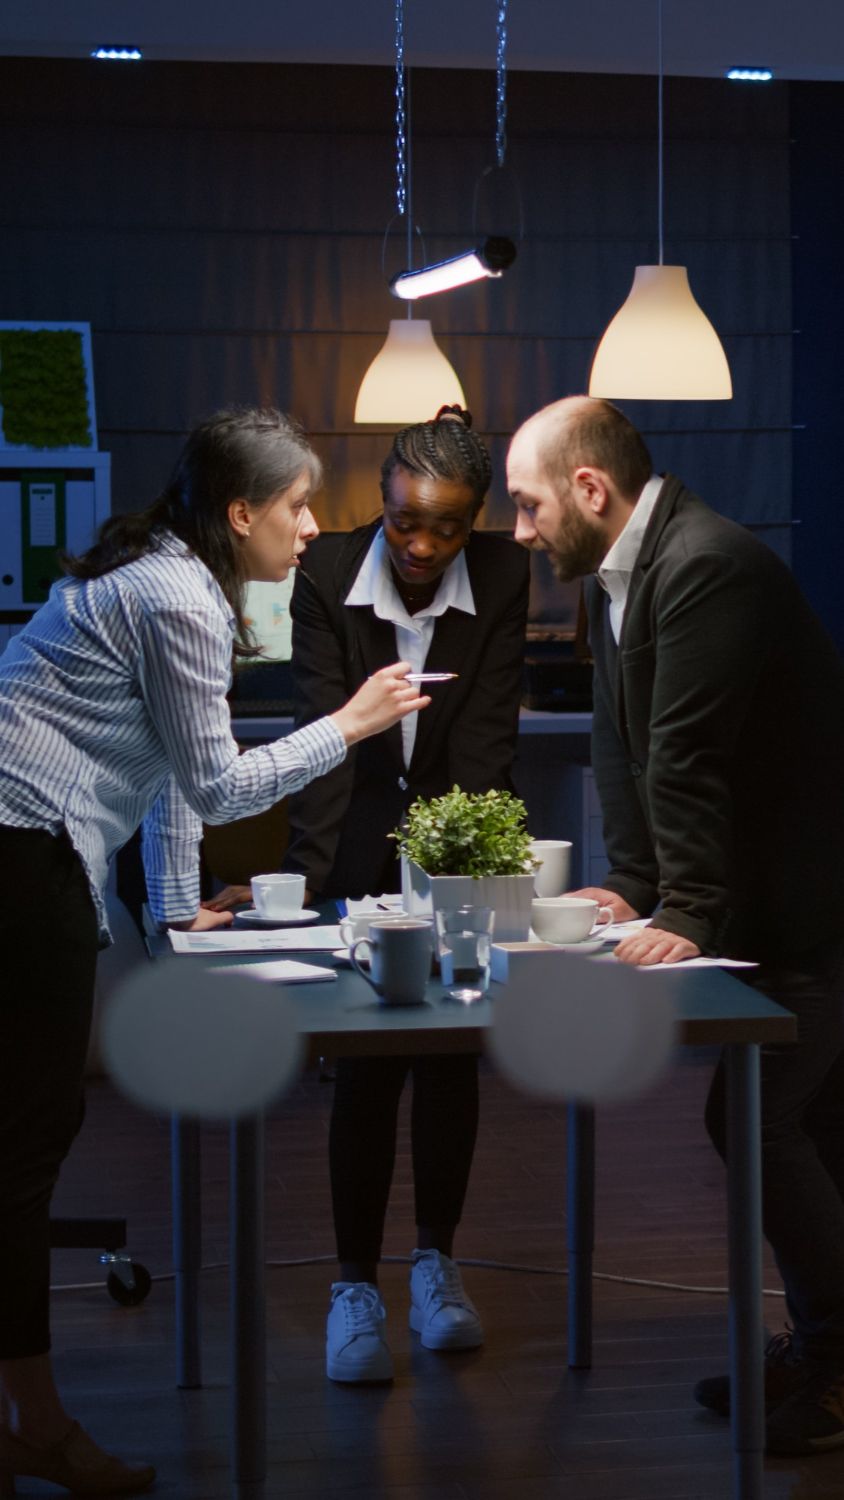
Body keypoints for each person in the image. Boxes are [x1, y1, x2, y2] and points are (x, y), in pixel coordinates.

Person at [0, 407, 430, 1496]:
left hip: (25, 852)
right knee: (21, 1151)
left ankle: (26, 1420)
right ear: (240, 514)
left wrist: (176, 919)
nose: (309, 525)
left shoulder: (157, 566)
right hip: (17, 861)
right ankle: (34, 1427)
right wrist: (355, 721)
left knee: (16, 1146)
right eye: (293, 506)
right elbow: (218, 782)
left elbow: (160, 771)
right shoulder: (179, 597)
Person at [506, 394, 844, 1456]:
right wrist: (635, 881)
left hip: (812, 905)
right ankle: (821, 1352)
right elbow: (623, 745)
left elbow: (684, 752)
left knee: (763, 1123)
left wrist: (685, 912)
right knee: (803, 1128)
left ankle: (836, 1366)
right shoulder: (620, 577)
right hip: (773, 905)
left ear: (589, 490)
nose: (520, 530)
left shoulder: (703, 563)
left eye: (527, 505)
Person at [209, 407, 530, 1383]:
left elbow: (484, 748)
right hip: (348, 845)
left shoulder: (508, 575)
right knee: (367, 1069)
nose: (424, 545)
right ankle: (355, 1286)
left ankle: (436, 1263)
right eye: (404, 522)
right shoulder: (326, 573)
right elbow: (325, 741)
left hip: (455, 845)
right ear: (381, 501)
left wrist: (473, 874)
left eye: (448, 526)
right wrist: (302, 889)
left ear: (476, 517)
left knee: (450, 1063)